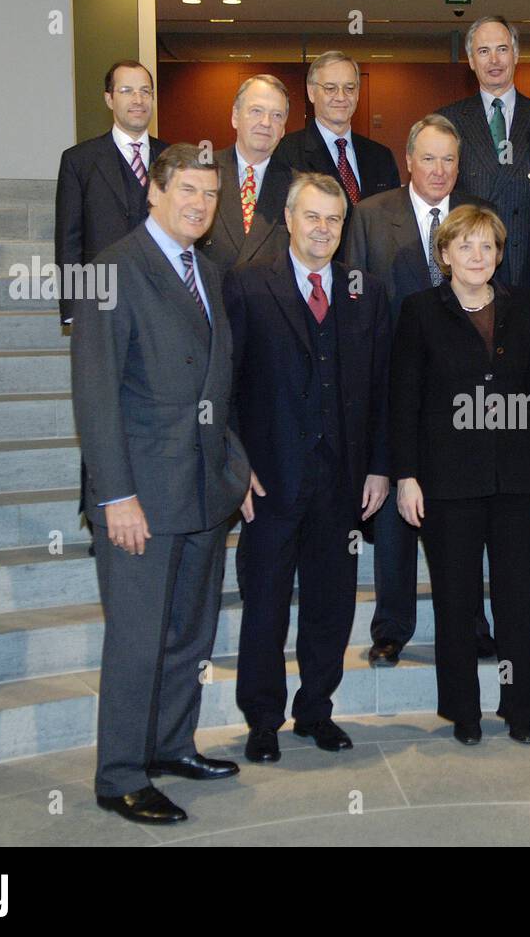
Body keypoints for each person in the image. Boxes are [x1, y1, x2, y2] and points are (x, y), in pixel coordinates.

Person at [71, 143, 252, 824]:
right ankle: (120, 772)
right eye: (187, 192)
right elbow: (95, 393)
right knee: (138, 639)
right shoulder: (112, 269)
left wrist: (238, 465)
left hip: (205, 491)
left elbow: (220, 382)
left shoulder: (208, 270)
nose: (199, 205)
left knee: (189, 634)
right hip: (141, 497)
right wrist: (115, 494)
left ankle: (171, 743)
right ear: (154, 191)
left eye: (211, 195)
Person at [225, 172, 391, 764]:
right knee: (266, 604)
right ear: (290, 221)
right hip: (269, 481)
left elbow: (381, 389)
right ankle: (263, 719)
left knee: (332, 603)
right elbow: (224, 386)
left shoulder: (364, 291)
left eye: (334, 220)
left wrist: (378, 467)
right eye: (312, 217)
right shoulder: (246, 287)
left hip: (342, 482)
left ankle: (315, 710)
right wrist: (235, 465)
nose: (323, 229)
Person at [390, 204, 530, 745]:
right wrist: (406, 475)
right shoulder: (420, 311)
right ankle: (463, 711)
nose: (477, 255)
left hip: (514, 478)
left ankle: (520, 710)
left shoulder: (524, 306)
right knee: (456, 600)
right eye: (464, 245)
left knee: (517, 601)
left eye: (487, 246)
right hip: (447, 483)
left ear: (498, 255)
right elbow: (404, 401)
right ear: (444, 255)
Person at [341, 114, 496, 668]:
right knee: (394, 519)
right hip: (393, 394)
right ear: (409, 160)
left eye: (449, 159)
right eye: (428, 158)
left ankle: (472, 622)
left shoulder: (477, 217)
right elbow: (354, 308)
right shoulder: (369, 216)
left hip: (464, 404)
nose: (439, 169)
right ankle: (391, 627)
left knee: (464, 519)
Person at [437, 16, 530, 325]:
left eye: (502, 49)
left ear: (516, 54)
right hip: (466, 280)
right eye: (483, 51)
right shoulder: (448, 120)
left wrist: (524, 249)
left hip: (529, 281)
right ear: (470, 60)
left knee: (528, 373)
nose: (494, 60)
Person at [55, 60, 166, 325]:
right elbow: (69, 240)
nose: (138, 99)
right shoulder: (79, 160)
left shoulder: (173, 158)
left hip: (163, 297)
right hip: (103, 299)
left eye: (145, 91)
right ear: (109, 99)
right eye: (127, 90)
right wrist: (72, 309)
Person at [271, 51, 400, 247]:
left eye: (349, 88)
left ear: (357, 93)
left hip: (372, 274)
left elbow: (392, 225)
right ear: (311, 92)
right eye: (330, 88)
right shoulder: (286, 153)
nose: (341, 97)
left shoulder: (381, 156)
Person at [198, 74, 294, 280]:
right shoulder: (201, 173)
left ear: (284, 127)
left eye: (277, 115)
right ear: (235, 116)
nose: (266, 122)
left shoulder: (298, 187)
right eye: (256, 111)